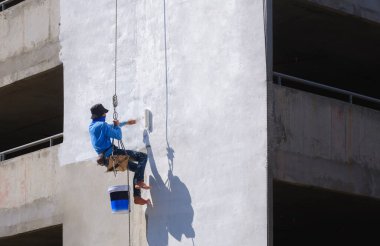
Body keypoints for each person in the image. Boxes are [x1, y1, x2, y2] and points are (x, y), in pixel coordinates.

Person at [89, 103, 151, 205]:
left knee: (138, 169)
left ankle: (137, 197)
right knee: (143, 157)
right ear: (101, 114)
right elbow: (118, 135)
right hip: (113, 154)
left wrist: (125, 123)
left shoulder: (92, 126)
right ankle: (139, 183)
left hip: (107, 161)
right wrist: (118, 126)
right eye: (104, 113)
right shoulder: (102, 125)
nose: (105, 115)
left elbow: (110, 126)